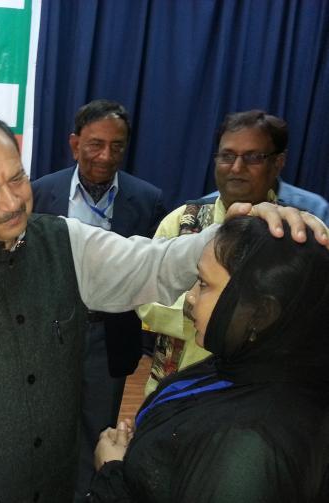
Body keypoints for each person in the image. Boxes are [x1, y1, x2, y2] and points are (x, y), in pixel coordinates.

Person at [0, 109, 325, 503]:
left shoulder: (67, 242)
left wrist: (249, 233)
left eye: (15, 179)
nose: (11, 202)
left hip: (64, 486)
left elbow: (163, 263)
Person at [89, 215, 329, 502]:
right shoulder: (240, 363)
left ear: (261, 313)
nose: (189, 298)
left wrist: (112, 470)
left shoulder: (249, 446)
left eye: (203, 284)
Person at [138, 109, 329, 395]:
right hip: (174, 386)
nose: (236, 168)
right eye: (227, 155)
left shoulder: (298, 230)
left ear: (278, 162)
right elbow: (144, 299)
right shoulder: (182, 221)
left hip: (263, 396)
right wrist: (199, 306)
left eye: (253, 157)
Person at [32, 99, 166, 495]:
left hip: (108, 335)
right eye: (95, 144)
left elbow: (151, 270)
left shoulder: (147, 199)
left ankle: (93, 494)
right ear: (75, 145)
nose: (106, 156)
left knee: (97, 425)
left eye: (117, 145)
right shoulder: (41, 193)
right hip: (50, 332)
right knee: (48, 420)